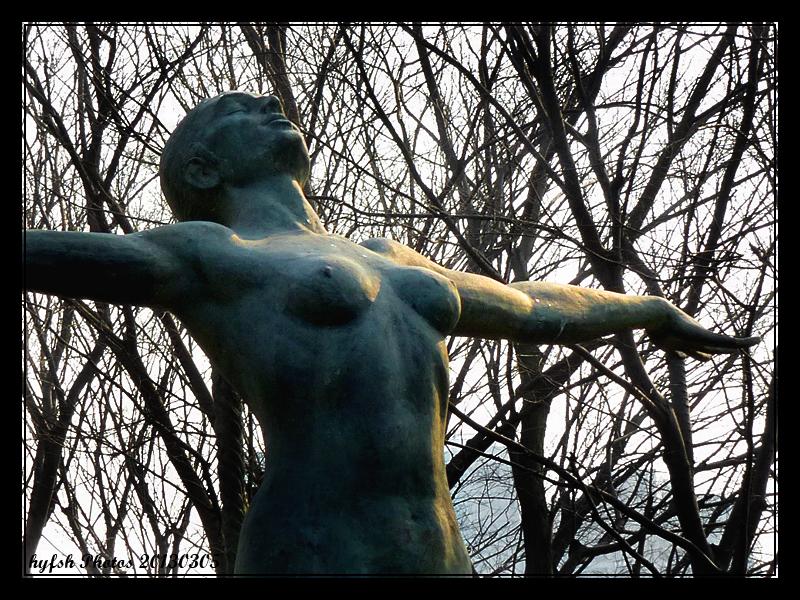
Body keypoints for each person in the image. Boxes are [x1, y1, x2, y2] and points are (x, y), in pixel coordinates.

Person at [24, 92, 759, 575]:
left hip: (439, 550)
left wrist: (648, 309)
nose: (270, 102)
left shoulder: (393, 258)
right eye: (238, 111)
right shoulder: (208, 254)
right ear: (204, 167)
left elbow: (532, 305)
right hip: (311, 549)